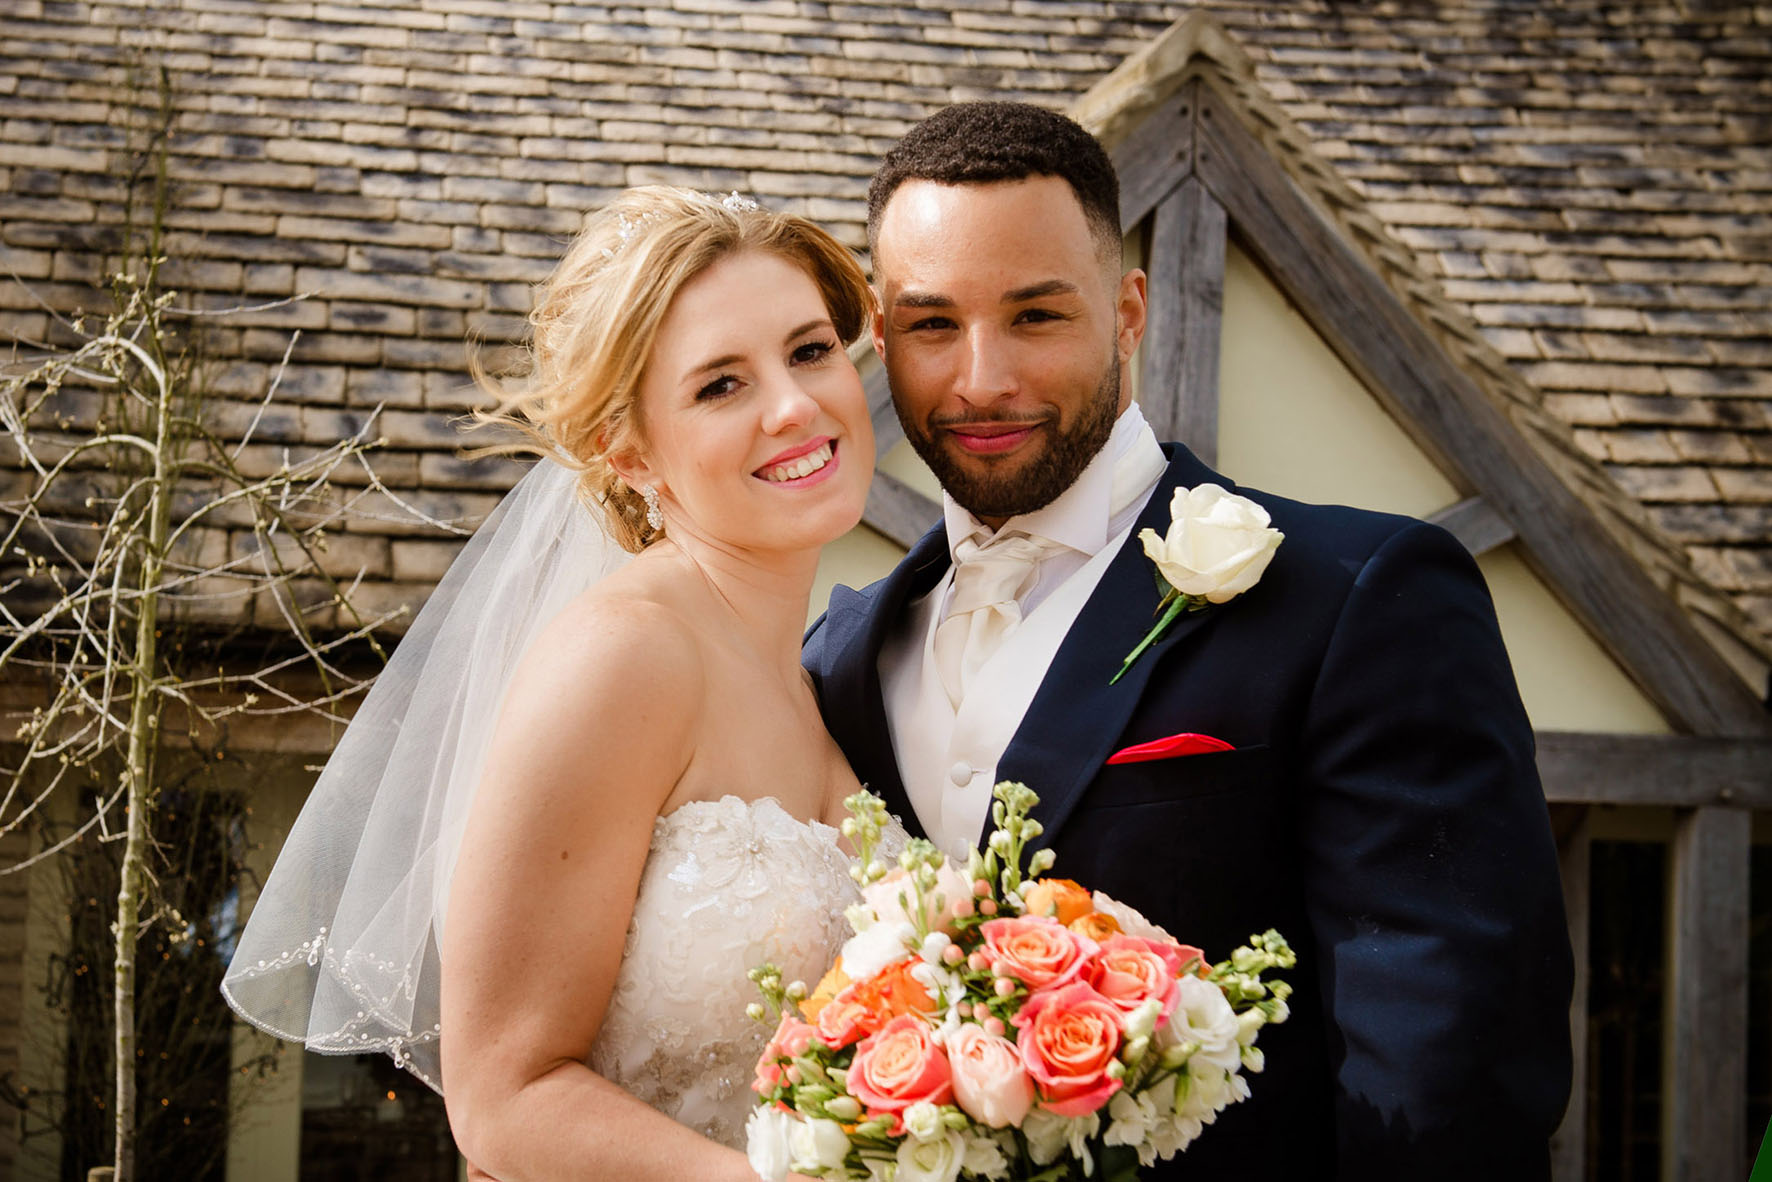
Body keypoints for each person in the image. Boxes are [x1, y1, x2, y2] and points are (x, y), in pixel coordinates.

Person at [803, 101, 1574, 1177]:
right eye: (933, 326)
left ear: (1128, 313)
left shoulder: (1359, 596)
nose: (981, 379)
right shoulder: (835, 659)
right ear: (883, 339)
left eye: (1035, 315)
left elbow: (1452, 1075)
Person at [223, 187, 886, 1181]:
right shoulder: (625, 656)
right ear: (628, 451)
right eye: (720, 384)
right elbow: (504, 1098)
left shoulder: (811, 677)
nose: (793, 405)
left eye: (809, 351)